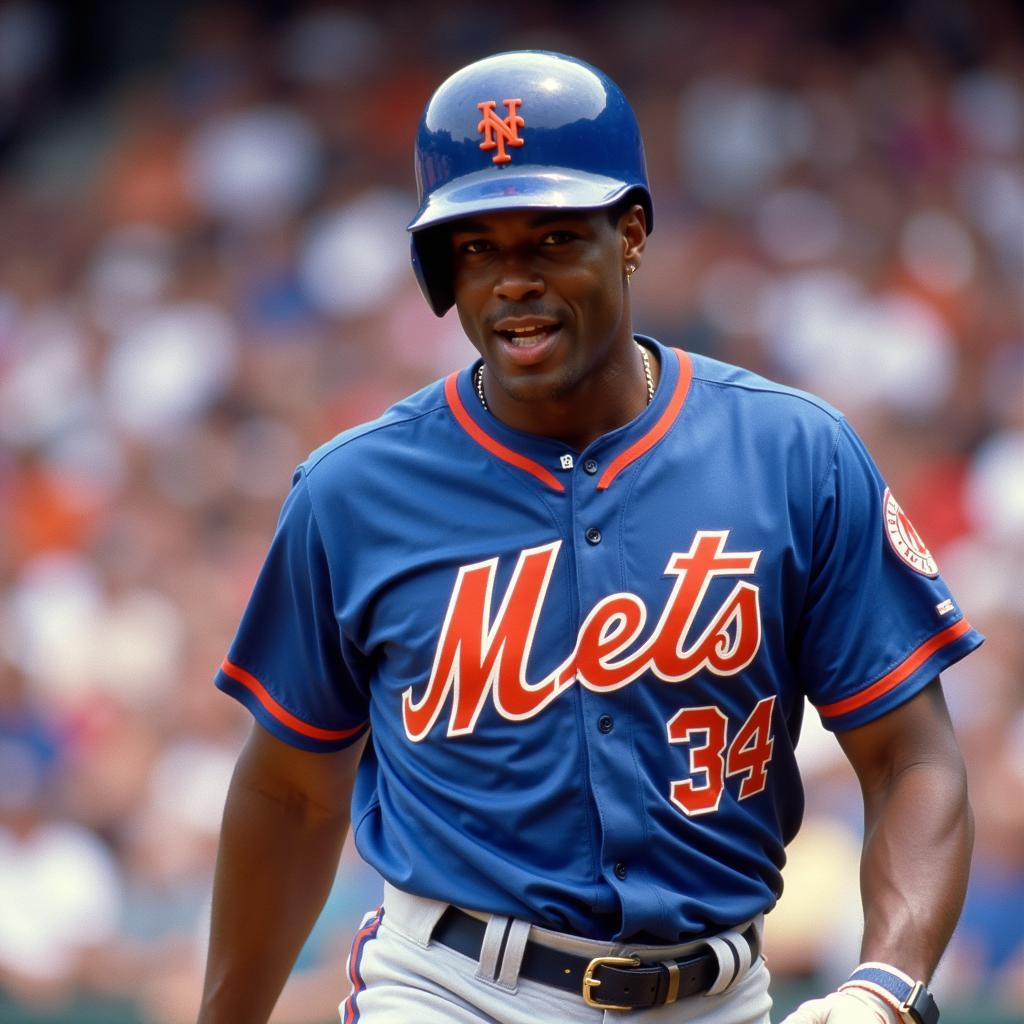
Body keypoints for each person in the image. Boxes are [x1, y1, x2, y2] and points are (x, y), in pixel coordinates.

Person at [198, 51, 983, 1024]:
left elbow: (912, 755)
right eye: (475, 247)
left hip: (718, 996)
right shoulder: (353, 491)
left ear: (632, 234)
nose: (512, 280)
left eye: (552, 238)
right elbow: (291, 794)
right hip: (451, 988)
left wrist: (886, 982)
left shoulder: (793, 454)